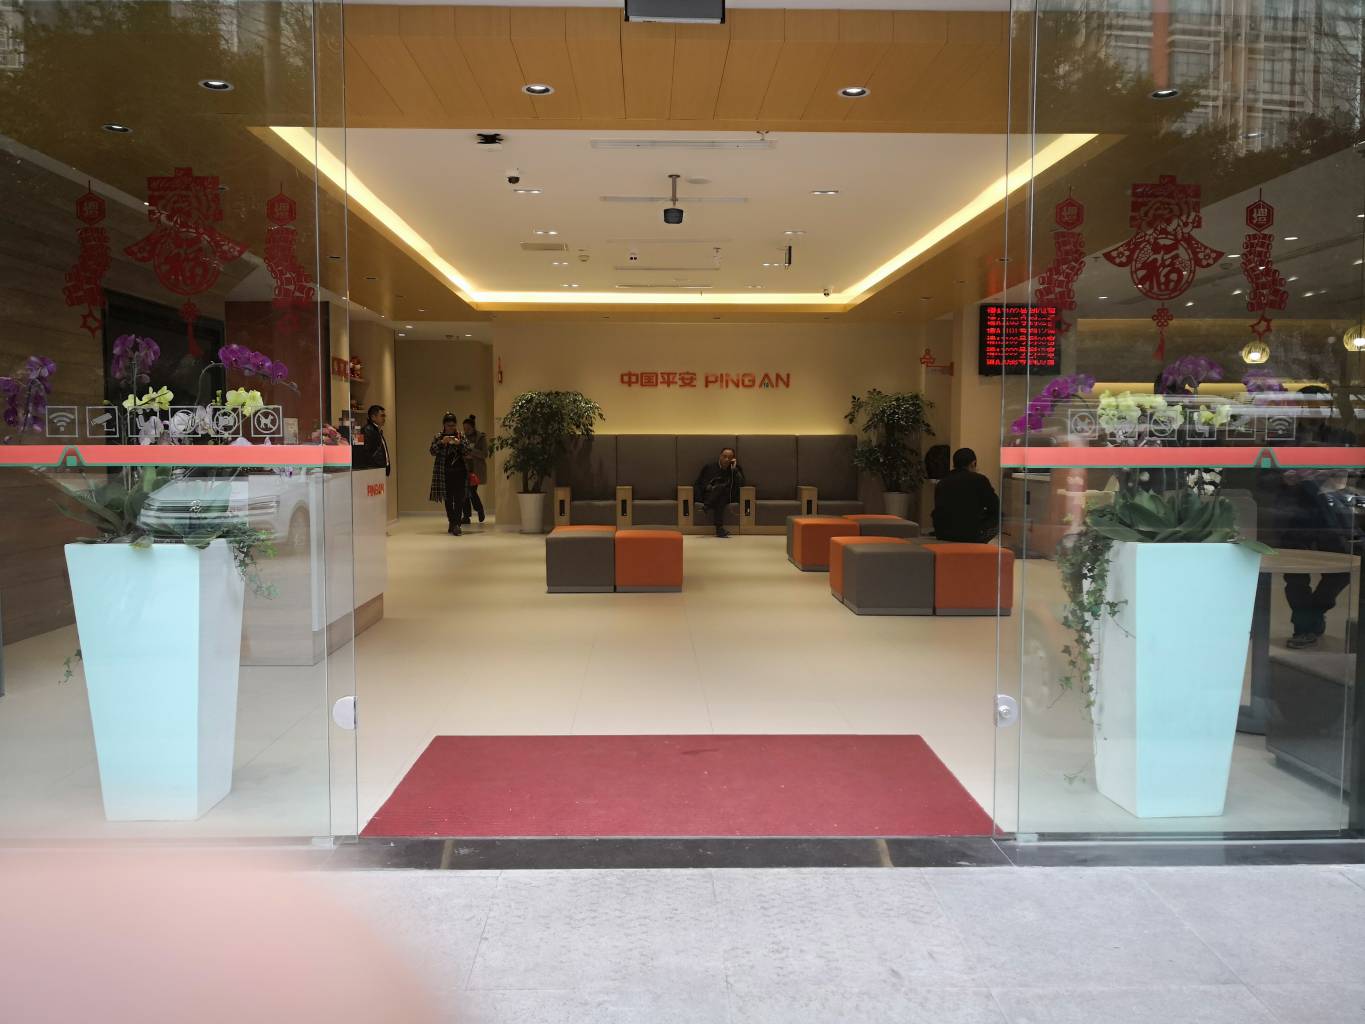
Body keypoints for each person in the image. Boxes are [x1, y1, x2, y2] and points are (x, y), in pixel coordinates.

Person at [1279, 467, 1357, 649]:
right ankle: (1304, 627)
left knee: (1340, 574)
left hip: (1327, 520)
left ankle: (1309, 619)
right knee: (1296, 578)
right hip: (1299, 519)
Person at [932, 447, 1000, 543]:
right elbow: (995, 506)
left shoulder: (942, 481)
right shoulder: (979, 480)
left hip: (943, 533)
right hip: (970, 535)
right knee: (999, 517)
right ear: (973, 463)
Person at [429, 412, 470, 536]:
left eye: (453, 425)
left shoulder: (461, 436)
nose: (451, 428)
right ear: (444, 425)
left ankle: (456, 524)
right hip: (444, 473)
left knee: (459, 499)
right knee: (448, 499)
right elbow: (432, 451)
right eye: (448, 426)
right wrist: (442, 442)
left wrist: (459, 443)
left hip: (460, 472)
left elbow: (468, 451)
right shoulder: (438, 436)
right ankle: (452, 522)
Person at [695, 446, 744, 538]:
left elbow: (741, 484)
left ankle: (707, 506)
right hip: (711, 495)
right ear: (720, 456)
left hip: (729, 496)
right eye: (724, 456)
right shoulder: (709, 467)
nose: (727, 459)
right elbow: (699, 483)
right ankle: (719, 529)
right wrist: (709, 488)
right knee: (720, 495)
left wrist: (734, 470)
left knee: (722, 489)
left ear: (733, 459)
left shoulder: (735, 469)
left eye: (729, 457)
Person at [461, 414, 488, 525]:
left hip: (476, 470)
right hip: (464, 469)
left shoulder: (481, 437)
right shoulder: (462, 438)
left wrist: (471, 451)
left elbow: (484, 454)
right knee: (464, 492)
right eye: (464, 429)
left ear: (473, 427)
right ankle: (466, 516)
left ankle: (479, 509)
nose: (466, 431)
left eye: (468, 428)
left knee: (471, 491)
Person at [353, 404, 390, 476]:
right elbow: (362, 454)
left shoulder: (377, 431)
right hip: (373, 471)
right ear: (373, 417)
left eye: (384, 416)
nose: (384, 418)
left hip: (378, 470)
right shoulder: (366, 431)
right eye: (382, 416)